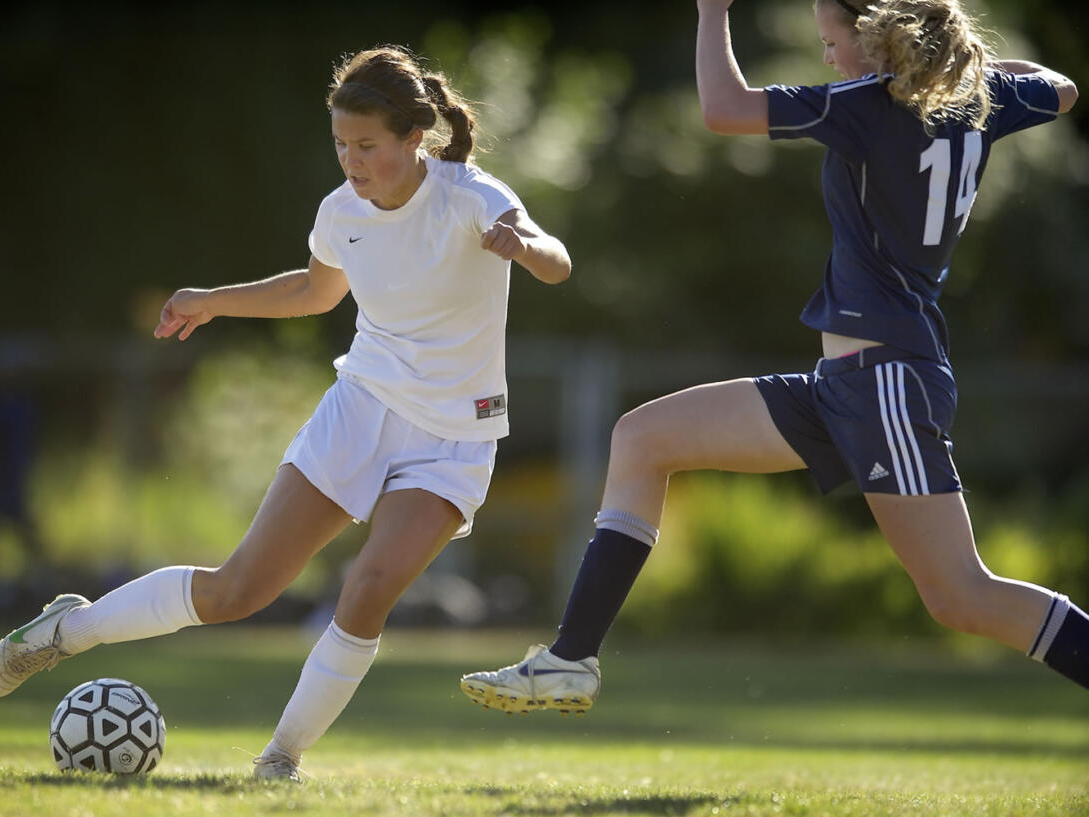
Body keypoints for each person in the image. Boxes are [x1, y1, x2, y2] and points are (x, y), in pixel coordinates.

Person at [460, 0, 1084, 716]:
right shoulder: (981, 98)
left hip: (886, 382)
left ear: (879, 38)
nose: (827, 57)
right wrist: (956, 69)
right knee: (643, 437)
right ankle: (569, 659)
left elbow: (724, 110)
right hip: (845, 383)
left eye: (831, 40)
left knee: (961, 595)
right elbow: (1062, 86)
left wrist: (711, 12)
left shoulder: (869, 106)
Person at [0, 45, 571, 781]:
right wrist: (211, 300)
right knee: (238, 591)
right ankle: (67, 628)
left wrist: (528, 248)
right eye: (341, 146)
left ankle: (279, 759)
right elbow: (315, 292)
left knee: (367, 591)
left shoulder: (473, 196)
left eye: (367, 147)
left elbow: (557, 259)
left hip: (456, 436)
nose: (352, 162)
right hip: (361, 409)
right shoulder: (340, 212)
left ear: (413, 139)